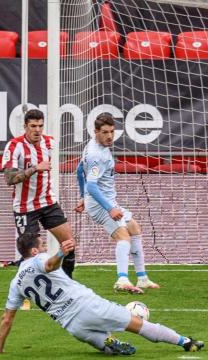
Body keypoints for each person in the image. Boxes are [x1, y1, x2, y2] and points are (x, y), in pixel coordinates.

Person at [0, 232, 204, 355]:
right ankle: (185, 342)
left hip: (72, 326)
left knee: (107, 349)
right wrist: (61, 252)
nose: (44, 248)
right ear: (33, 251)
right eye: (42, 245)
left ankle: (108, 342)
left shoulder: (15, 283)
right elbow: (51, 265)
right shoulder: (39, 260)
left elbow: (7, 318)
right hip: (88, 306)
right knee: (140, 326)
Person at [75, 113, 159, 294]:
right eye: (105, 132)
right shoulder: (97, 155)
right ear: (96, 132)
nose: (110, 136)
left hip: (103, 200)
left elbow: (79, 169)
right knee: (123, 236)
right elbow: (92, 185)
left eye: (112, 131)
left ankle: (142, 278)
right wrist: (110, 208)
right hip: (101, 204)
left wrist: (82, 197)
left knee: (134, 228)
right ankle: (122, 279)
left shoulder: (94, 146)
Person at [2, 109, 76, 279]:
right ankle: (25, 289)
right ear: (25, 126)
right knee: (31, 254)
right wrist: (35, 168)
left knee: (69, 245)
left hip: (48, 203)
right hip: (25, 207)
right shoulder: (15, 146)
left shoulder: (50, 143)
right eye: (33, 126)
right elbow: (9, 178)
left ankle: (67, 286)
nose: (37, 130)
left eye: (40, 126)